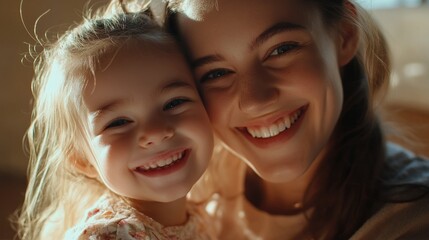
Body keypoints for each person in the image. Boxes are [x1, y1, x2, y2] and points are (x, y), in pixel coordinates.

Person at [114, 0, 429, 239]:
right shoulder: (183, 193)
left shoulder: (411, 220)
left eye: (281, 49)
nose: (255, 100)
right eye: (216, 73)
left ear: (344, 36)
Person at [15, 5, 216, 240]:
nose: (156, 132)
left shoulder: (199, 216)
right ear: (81, 160)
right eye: (118, 122)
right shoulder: (108, 235)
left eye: (174, 103)